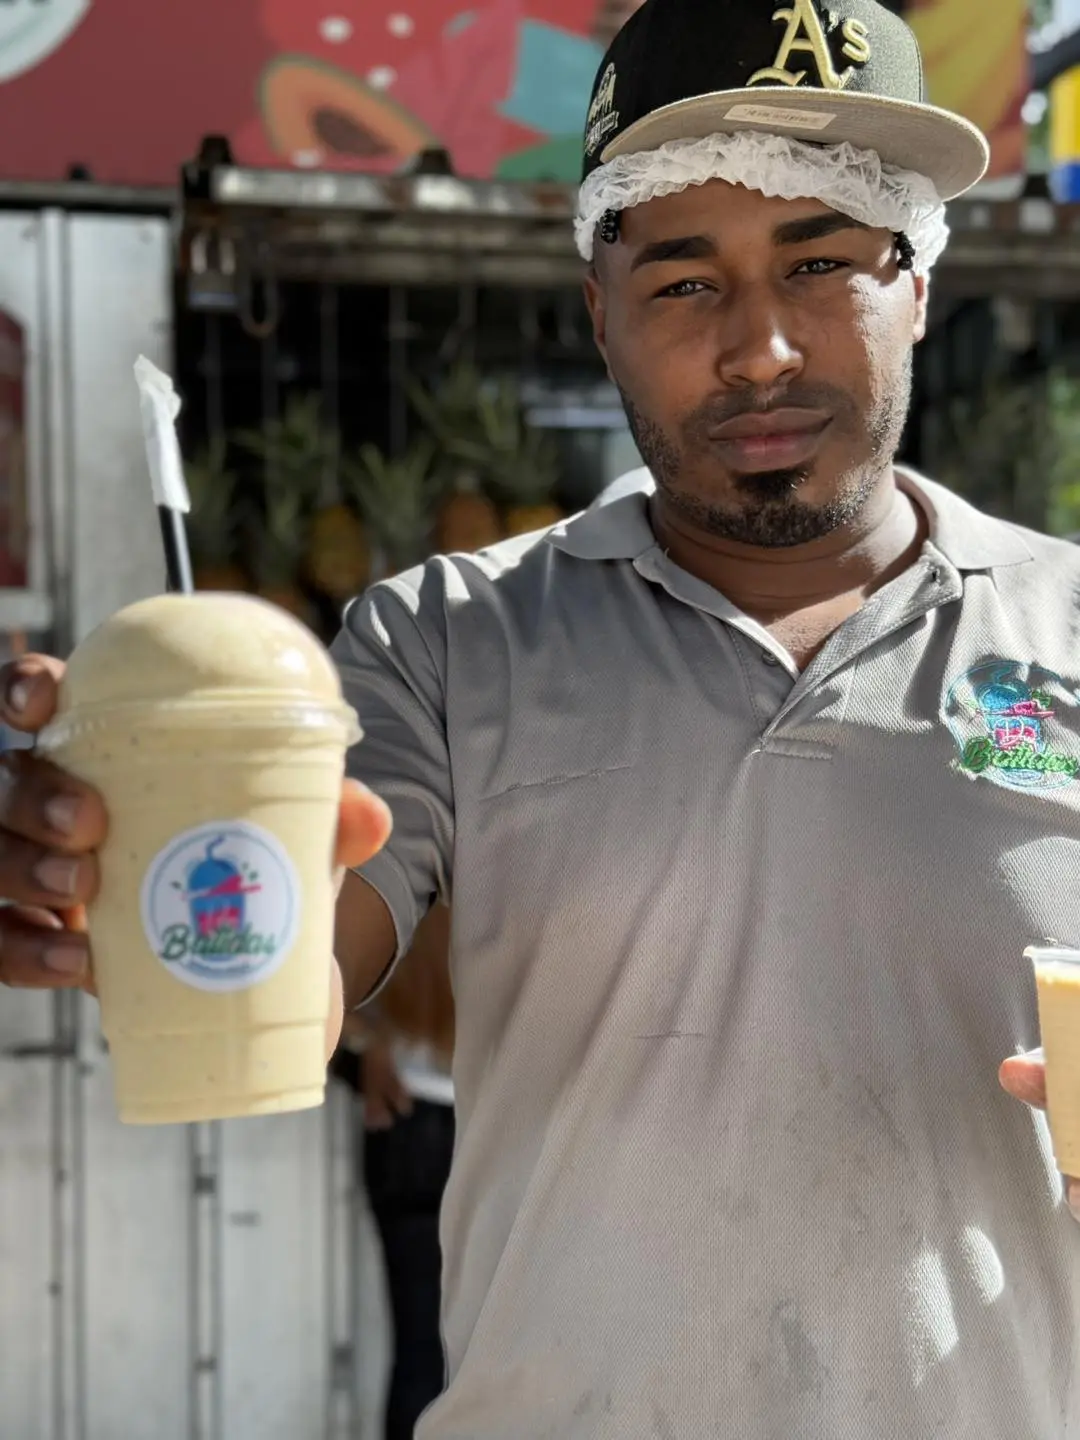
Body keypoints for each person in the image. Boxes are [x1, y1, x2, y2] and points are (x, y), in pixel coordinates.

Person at [2, 0, 1079, 1432]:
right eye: (686, 283)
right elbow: (300, 952)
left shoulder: (1066, 626)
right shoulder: (445, 640)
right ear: (601, 310)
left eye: (822, 262)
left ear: (919, 284)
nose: (760, 347)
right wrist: (136, 867)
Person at [331, 904, 454, 1440]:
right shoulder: (508, 865)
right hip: (490, 1127)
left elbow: (303, 986)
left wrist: (365, 1041)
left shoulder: (386, 873)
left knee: (419, 1348)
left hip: (404, 1124)